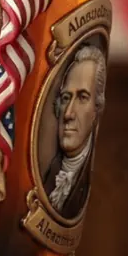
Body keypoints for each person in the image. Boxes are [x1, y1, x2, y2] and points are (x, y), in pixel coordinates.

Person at [41, 43, 106, 219]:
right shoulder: (48, 174)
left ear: (96, 109)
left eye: (82, 97)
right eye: (66, 98)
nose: (69, 113)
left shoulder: (93, 180)